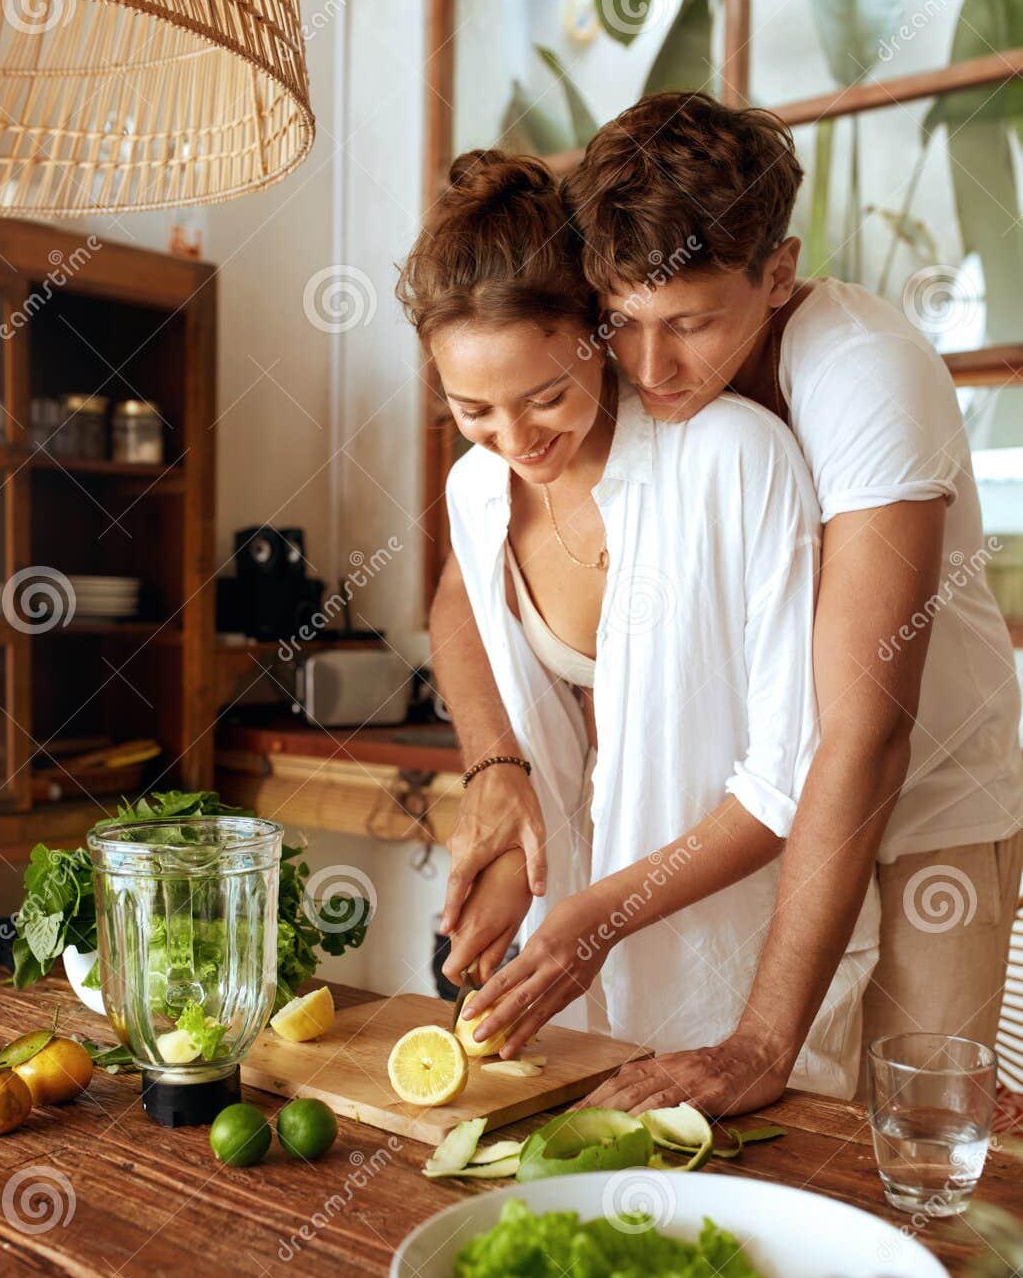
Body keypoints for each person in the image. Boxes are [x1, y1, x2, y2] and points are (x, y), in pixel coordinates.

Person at [433, 92, 1023, 1117]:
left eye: (691, 324)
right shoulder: (625, 408)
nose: (653, 367)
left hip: (927, 803)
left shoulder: (859, 379)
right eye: (621, 324)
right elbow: (464, 580)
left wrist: (759, 1041)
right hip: (791, 808)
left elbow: (861, 740)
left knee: (909, 1131)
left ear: (778, 274)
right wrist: (497, 767)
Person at [397, 147, 879, 1099]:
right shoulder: (476, 491)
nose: (517, 438)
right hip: (571, 1007)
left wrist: (599, 917)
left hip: (734, 990)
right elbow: (489, 660)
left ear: (597, 330)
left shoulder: (736, 463)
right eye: (472, 410)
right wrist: (511, 837)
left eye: (543, 395)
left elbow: (789, 781)